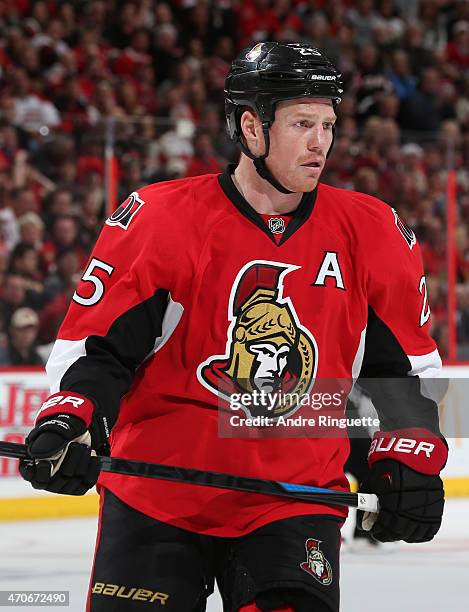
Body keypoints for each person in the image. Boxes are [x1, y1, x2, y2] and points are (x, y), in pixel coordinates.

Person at [19, 43, 447, 612]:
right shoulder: (163, 218)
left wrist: (406, 459)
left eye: (328, 124)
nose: (321, 142)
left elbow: (401, 373)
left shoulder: (374, 230)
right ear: (251, 126)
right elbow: (99, 352)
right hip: (159, 494)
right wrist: (73, 418)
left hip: (294, 501)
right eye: (301, 123)